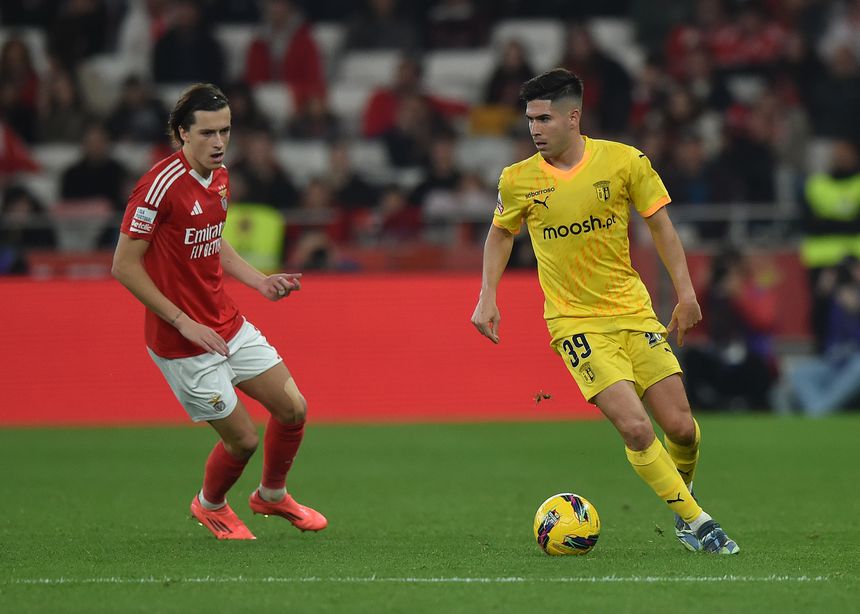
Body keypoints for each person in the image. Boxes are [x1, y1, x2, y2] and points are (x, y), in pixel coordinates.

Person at [470, 68, 739, 555]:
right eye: (530, 119)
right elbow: (501, 233)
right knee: (636, 427)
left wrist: (685, 293)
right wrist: (487, 294)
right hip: (575, 323)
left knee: (681, 427)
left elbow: (661, 226)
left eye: (544, 118)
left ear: (573, 118)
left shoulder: (623, 161)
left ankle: (682, 497)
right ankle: (697, 523)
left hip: (634, 313)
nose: (534, 129)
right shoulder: (517, 180)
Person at [111, 83, 327, 540]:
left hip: (226, 323)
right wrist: (183, 321)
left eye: (225, 131)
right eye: (207, 132)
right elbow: (123, 265)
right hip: (181, 342)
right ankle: (209, 505)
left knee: (293, 410)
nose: (219, 142)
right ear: (181, 134)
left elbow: (214, 240)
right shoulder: (158, 187)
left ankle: (270, 496)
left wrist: (259, 280)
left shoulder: (221, 175)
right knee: (243, 439)